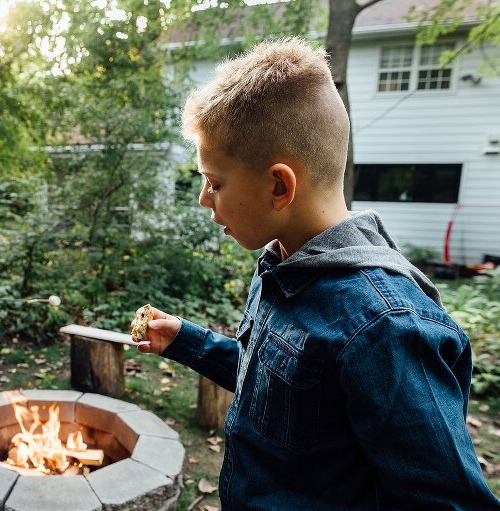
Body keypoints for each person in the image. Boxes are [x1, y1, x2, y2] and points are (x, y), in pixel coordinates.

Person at [133, 38, 500, 510]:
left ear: (279, 185)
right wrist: (185, 340)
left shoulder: (385, 326)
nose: (205, 198)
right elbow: (278, 389)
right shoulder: (282, 264)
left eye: (215, 182)